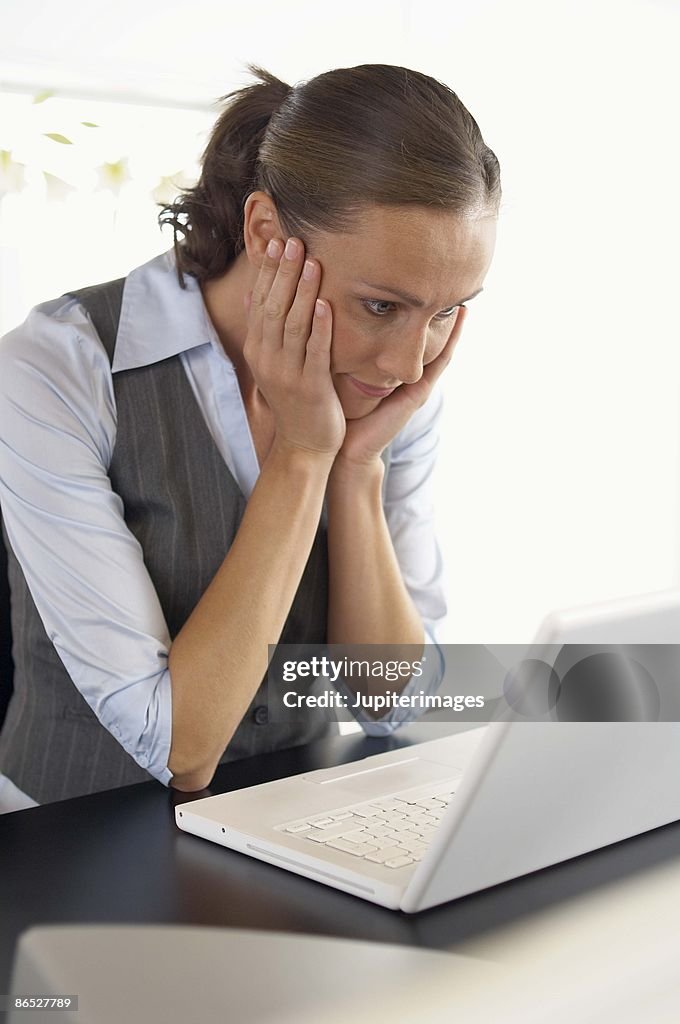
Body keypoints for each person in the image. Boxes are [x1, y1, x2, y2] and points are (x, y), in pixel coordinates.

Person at [0, 63, 500, 811]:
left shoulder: (389, 382)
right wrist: (303, 457)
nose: (408, 363)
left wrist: (357, 467)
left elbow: (392, 702)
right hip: (74, 844)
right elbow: (179, 751)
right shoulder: (59, 367)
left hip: (289, 826)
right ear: (266, 232)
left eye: (444, 314)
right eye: (379, 305)